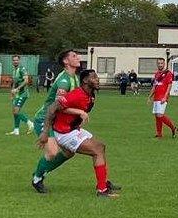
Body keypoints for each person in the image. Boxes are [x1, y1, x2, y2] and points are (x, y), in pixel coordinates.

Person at [37, 69, 120, 198]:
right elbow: (52, 108)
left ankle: (103, 183)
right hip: (64, 132)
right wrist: (45, 132)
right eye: (94, 77)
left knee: (101, 147)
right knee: (97, 150)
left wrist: (78, 117)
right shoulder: (77, 94)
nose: (97, 79)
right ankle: (102, 190)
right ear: (85, 81)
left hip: (73, 129)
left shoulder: (90, 95)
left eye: (97, 77)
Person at [31, 50, 81, 193]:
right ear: (66, 62)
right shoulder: (64, 81)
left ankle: (40, 173)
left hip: (57, 120)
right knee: (52, 152)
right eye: (74, 56)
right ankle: (37, 179)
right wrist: (80, 113)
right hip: (44, 118)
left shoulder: (74, 78)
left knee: (69, 151)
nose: (78, 58)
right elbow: (56, 107)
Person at [149, 58, 177, 138]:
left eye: (162, 63)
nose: (160, 65)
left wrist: (165, 96)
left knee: (160, 115)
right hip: (156, 97)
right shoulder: (157, 74)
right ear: (157, 64)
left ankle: (173, 128)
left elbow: (169, 85)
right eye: (159, 63)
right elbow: (155, 86)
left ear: (164, 64)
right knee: (157, 116)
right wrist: (150, 96)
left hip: (162, 97)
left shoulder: (168, 73)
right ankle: (159, 134)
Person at [7, 55, 34, 136]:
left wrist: (17, 89)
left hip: (23, 93)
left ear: (19, 61)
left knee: (16, 111)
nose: (15, 61)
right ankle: (16, 130)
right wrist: (12, 93)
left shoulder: (22, 69)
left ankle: (30, 123)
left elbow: (26, 81)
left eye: (17, 60)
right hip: (17, 94)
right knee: (15, 112)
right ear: (12, 61)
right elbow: (14, 82)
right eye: (14, 60)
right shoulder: (14, 70)